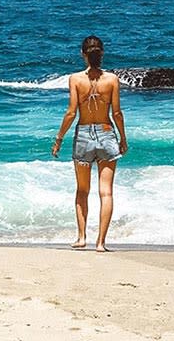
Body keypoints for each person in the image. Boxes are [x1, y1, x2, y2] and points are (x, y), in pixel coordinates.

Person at [51, 36, 128, 252]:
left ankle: (81, 237)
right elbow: (117, 114)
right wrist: (122, 138)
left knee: (82, 191)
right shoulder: (112, 79)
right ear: (102, 53)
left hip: (84, 135)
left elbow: (71, 113)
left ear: (83, 54)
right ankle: (101, 243)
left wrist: (59, 139)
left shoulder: (75, 79)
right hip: (106, 133)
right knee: (106, 192)